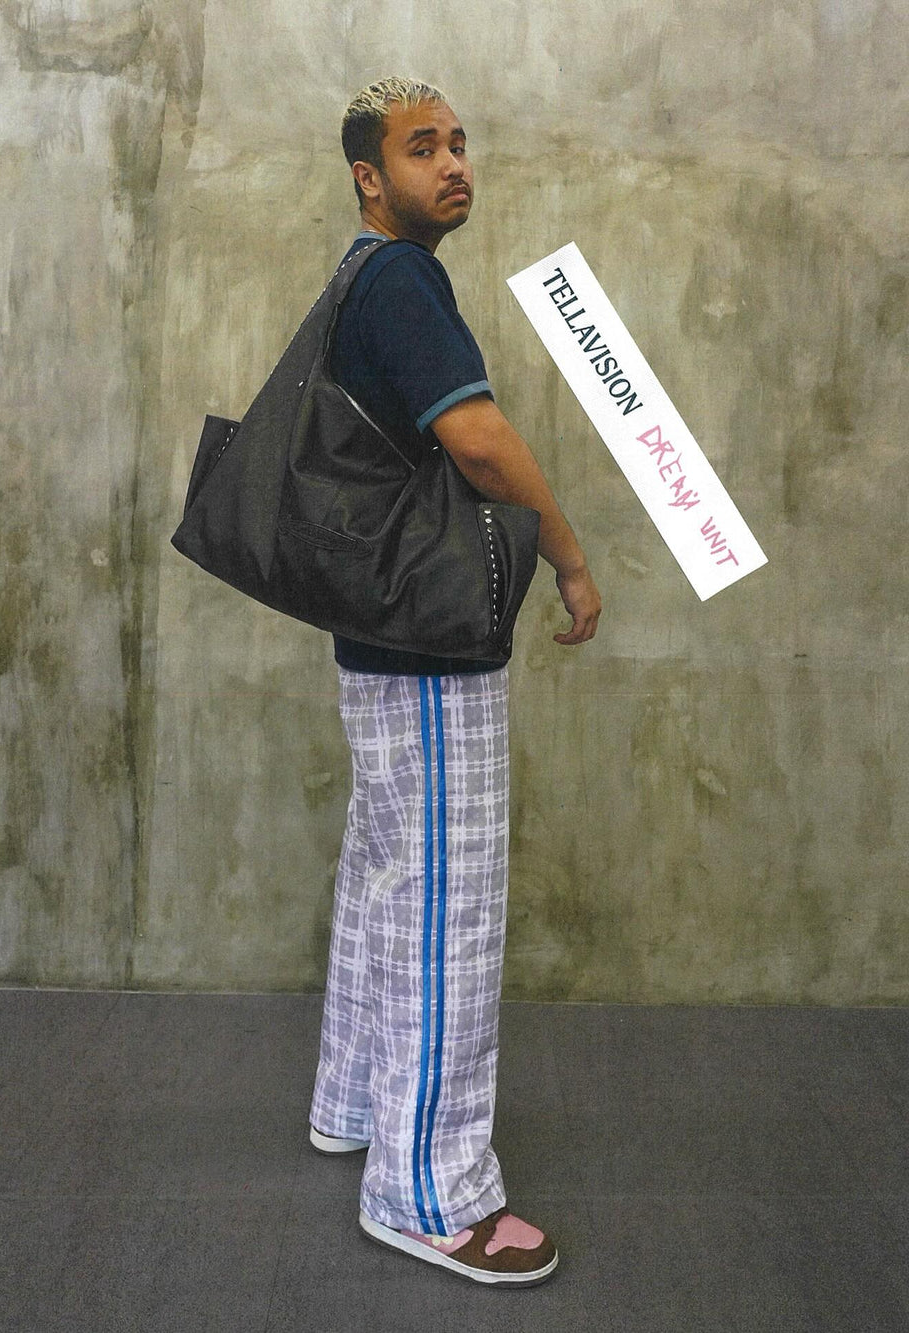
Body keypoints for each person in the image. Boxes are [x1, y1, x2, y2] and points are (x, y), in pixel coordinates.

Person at [308, 76, 601, 1287]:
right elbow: (475, 439)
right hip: (430, 649)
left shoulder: (353, 275)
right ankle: (428, 1194)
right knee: (447, 909)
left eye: (459, 143)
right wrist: (571, 561)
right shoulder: (404, 280)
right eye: (421, 149)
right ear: (371, 180)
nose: (453, 164)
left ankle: (357, 1104)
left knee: (387, 880)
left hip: (376, 640)